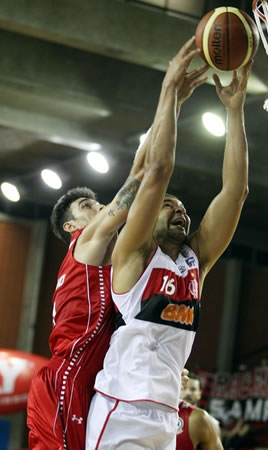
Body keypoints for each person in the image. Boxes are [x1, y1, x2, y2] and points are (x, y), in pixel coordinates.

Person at [26, 37, 209, 450]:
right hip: (68, 377)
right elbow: (145, 175)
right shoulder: (87, 242)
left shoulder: (119, 256)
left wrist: (172, 104)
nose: (101, 208)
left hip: (94, 376)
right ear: (73, 227)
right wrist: (169, 95)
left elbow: (143, 169)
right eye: (89, 205)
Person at [86, 37, 252, 448]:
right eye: (168, 206)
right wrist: (169, 94)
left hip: (166, 416)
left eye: (183, 209)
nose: (180, 211)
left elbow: (236, 191)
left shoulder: (196, 262)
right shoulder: (134, 254)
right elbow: (156, 169)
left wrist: (235, 111)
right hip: (120, 408)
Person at [177, 373, 223, 450]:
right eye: (184, 388)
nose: (188, 393)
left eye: (193, 389)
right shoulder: (163, 414)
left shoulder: (211, 422)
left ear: (200, 393)